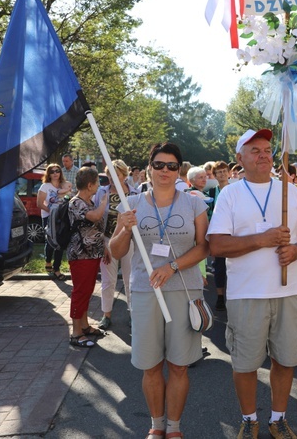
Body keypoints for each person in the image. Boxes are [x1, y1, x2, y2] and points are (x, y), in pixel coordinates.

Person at [207, 128, 297, 439]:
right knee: (244, 364)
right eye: (254, 149)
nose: (263, 154)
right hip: (246, 293)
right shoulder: (230, 194)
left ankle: (278, 418)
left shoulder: (290, 191)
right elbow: (216, 246)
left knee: (285, 360)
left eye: (268, 149)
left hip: (289, 291)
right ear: (239, 157)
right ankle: (249, 418)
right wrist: (262, 240)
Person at [109, 142, 209, 439]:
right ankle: (156, 424)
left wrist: (172, 267)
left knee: (179, 365)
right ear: (149, 168)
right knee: (150, 365)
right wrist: (126, 229)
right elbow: (115, 250)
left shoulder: (194, 202)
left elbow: (204, 247)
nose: (165, 171)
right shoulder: (131, 203)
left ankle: (175, 427)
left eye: (172, 166)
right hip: (144, 290)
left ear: (180, 170)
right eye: (159, 165)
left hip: (184, 289)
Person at [67, 167, 108, 348]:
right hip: (81, 254)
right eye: (97, 183)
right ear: (90, 185)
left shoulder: (88, 201)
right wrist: (104, 202)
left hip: (92, 253)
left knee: (87, 291)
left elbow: (96, 229)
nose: (99, 187)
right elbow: (95, 217)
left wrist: (104, 247)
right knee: (80, 291)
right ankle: (76, 333)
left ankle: (84, 326)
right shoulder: (77, 203)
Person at [96, 160, 139, 331]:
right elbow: (98, 220)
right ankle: (106, 315)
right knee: (108, 280)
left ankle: (132, 314)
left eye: (116, 174)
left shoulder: (135, 193)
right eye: (109, 174)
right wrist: (103, 245)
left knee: (131, 279)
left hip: (129, 240)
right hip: (107, 240)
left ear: (124, 174)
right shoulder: (102, 193)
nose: (112, 178)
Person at [37, 163, 72, 280]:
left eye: (57, 171)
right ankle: (48, 261)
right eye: (52, 171)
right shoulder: (45, 187)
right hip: (48, 216)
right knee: (50, 240)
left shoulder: (64, 185)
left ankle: (56, 268)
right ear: (48, 174)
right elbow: (39, 203)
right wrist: (51, 212)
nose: (55, 173)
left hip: (62, 217)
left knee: (60, 242)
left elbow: (69, 196)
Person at [206, 161, 230, 310]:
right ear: (214, 176)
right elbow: (208, 215)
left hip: (234, 233)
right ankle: (220, 296)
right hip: (218, 234)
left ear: (228, 172)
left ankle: (235, 294)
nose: (222, 174)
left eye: (224, 171)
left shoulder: (236, 190)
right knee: (219, 266)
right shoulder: (212, 193)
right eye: (218, 172)